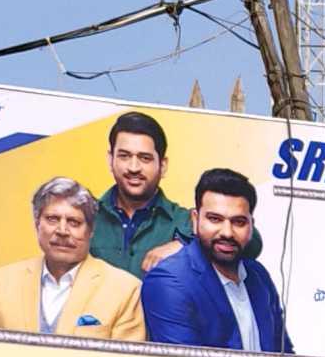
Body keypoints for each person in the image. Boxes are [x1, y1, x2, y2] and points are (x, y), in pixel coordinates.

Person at [87, 111, 261, 279]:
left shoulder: (185, 221)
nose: (134, 167)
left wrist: (186, 246)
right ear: (110, 160)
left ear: (163, 166)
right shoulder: (85, 217)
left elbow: (253, 242)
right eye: (124, 156)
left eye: (145, 158)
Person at [141, 170, 291, 355]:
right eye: (215, 219)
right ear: (195, 220)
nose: (227, 232)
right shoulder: (169, 281)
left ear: (251, 226)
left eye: (238, 222)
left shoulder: (257, 274)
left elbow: (285, 356)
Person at [0, 178, 145, 339]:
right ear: (37, 224)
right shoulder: (4, 281)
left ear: (91, 231)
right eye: (52, 219)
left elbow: (125, 354)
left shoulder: (124, 289)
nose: (62, 231)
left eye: (74, 222)